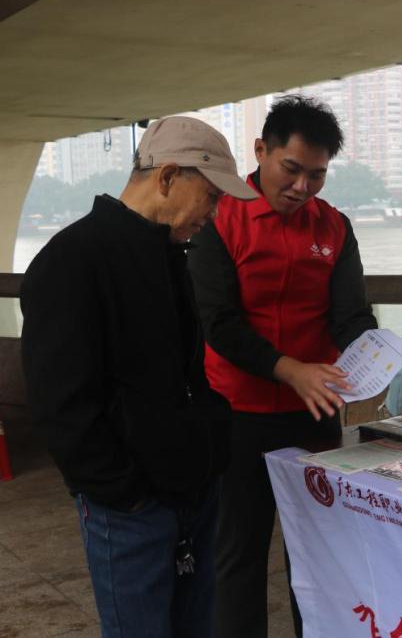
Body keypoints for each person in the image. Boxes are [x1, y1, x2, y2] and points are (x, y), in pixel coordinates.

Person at [20, 116, 256, 638]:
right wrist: (122, 492)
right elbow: (60, 405)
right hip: (130, 509)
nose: (215, 213)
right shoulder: (71, 260)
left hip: (194, 490)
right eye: (212, 196)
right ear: (168, 176)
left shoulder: (172, 254)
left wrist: (208, 446)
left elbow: (186, 372)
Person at [187, 95, 377, 637]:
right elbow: (218, 323)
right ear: (260, 151)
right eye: (290, 169)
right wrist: (288, 368)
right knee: (238, 554)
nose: (301, 187)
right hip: (235, 413)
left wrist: (376, 360)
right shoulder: (221, 217)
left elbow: (350, 317)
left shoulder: (333, 226)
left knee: (314, 552)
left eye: (316, 175)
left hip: (312, 412)